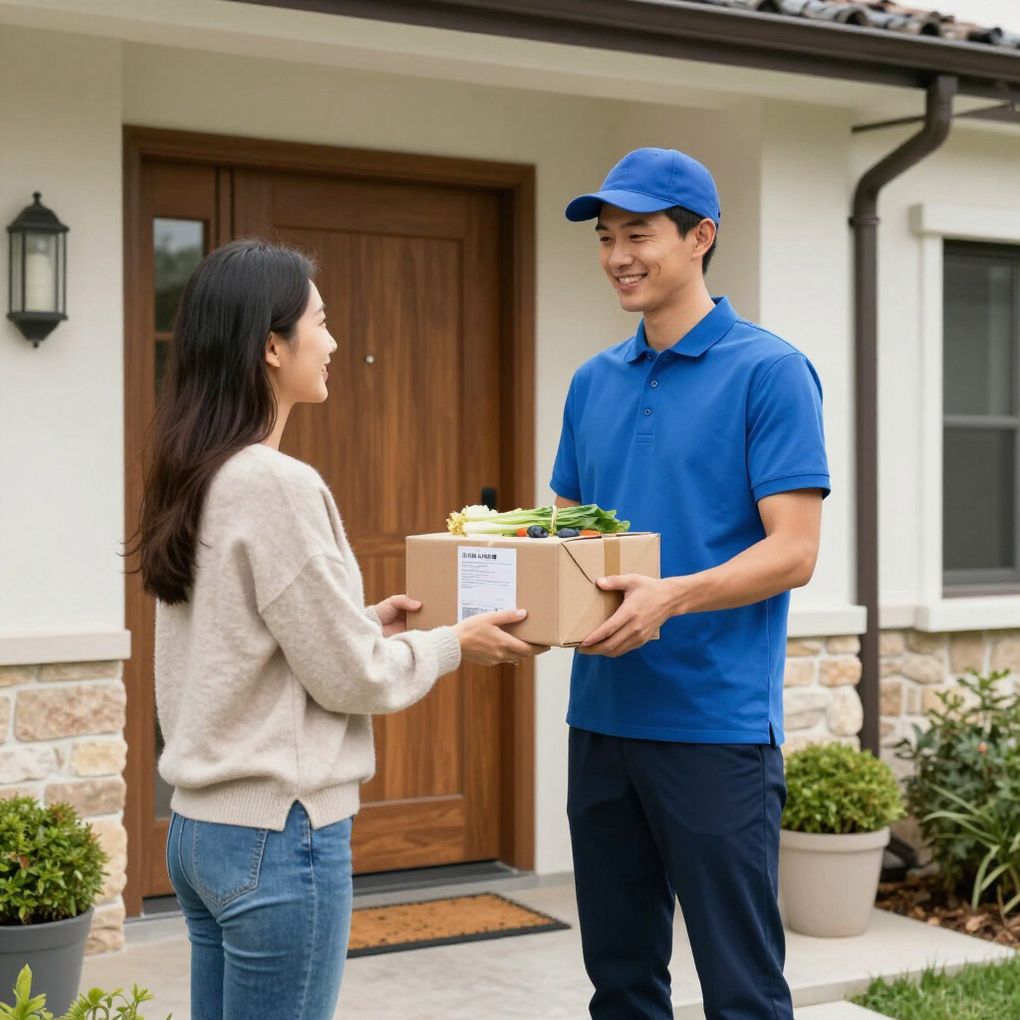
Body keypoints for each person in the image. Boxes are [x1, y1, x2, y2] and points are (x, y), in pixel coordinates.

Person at [135, 239, 544, 1020]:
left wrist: (365, 623)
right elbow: (353, 677)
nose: (330, 342)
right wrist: (456, 642)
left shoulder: (197, 470)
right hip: (279, 835)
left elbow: (244, 640)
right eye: (319, 322)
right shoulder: (277, 484)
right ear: (270, 345)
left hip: (199, 832)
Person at [552, 148, 829, 1019]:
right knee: (622, 982)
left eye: (638, 233)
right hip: (600, 717)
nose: (617, 256)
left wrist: (671, 594)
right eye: (605, 237)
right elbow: (565, 535)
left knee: (741, 989)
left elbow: (795, 551)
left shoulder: (770, 371)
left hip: (715, 727)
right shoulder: (592, 381)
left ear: (700, 236)